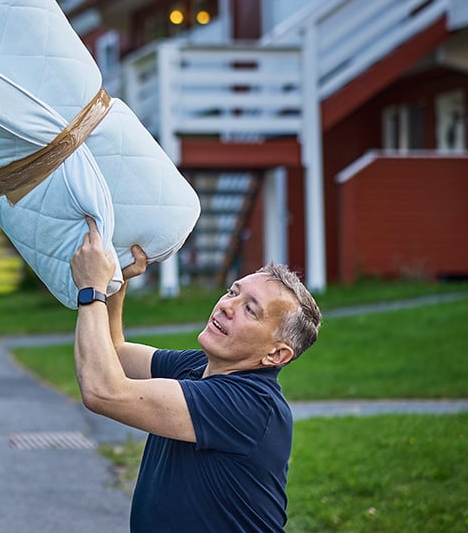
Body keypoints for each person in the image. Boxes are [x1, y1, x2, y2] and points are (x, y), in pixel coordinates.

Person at [70, 217, 322, 532]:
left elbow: (103, 391)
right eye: (233, 292)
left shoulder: (249, 405)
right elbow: (115, 354)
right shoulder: (198, 367)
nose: (227, 306)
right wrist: (113, 284)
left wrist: (90, 289)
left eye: (250, 310)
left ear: (276, 355)